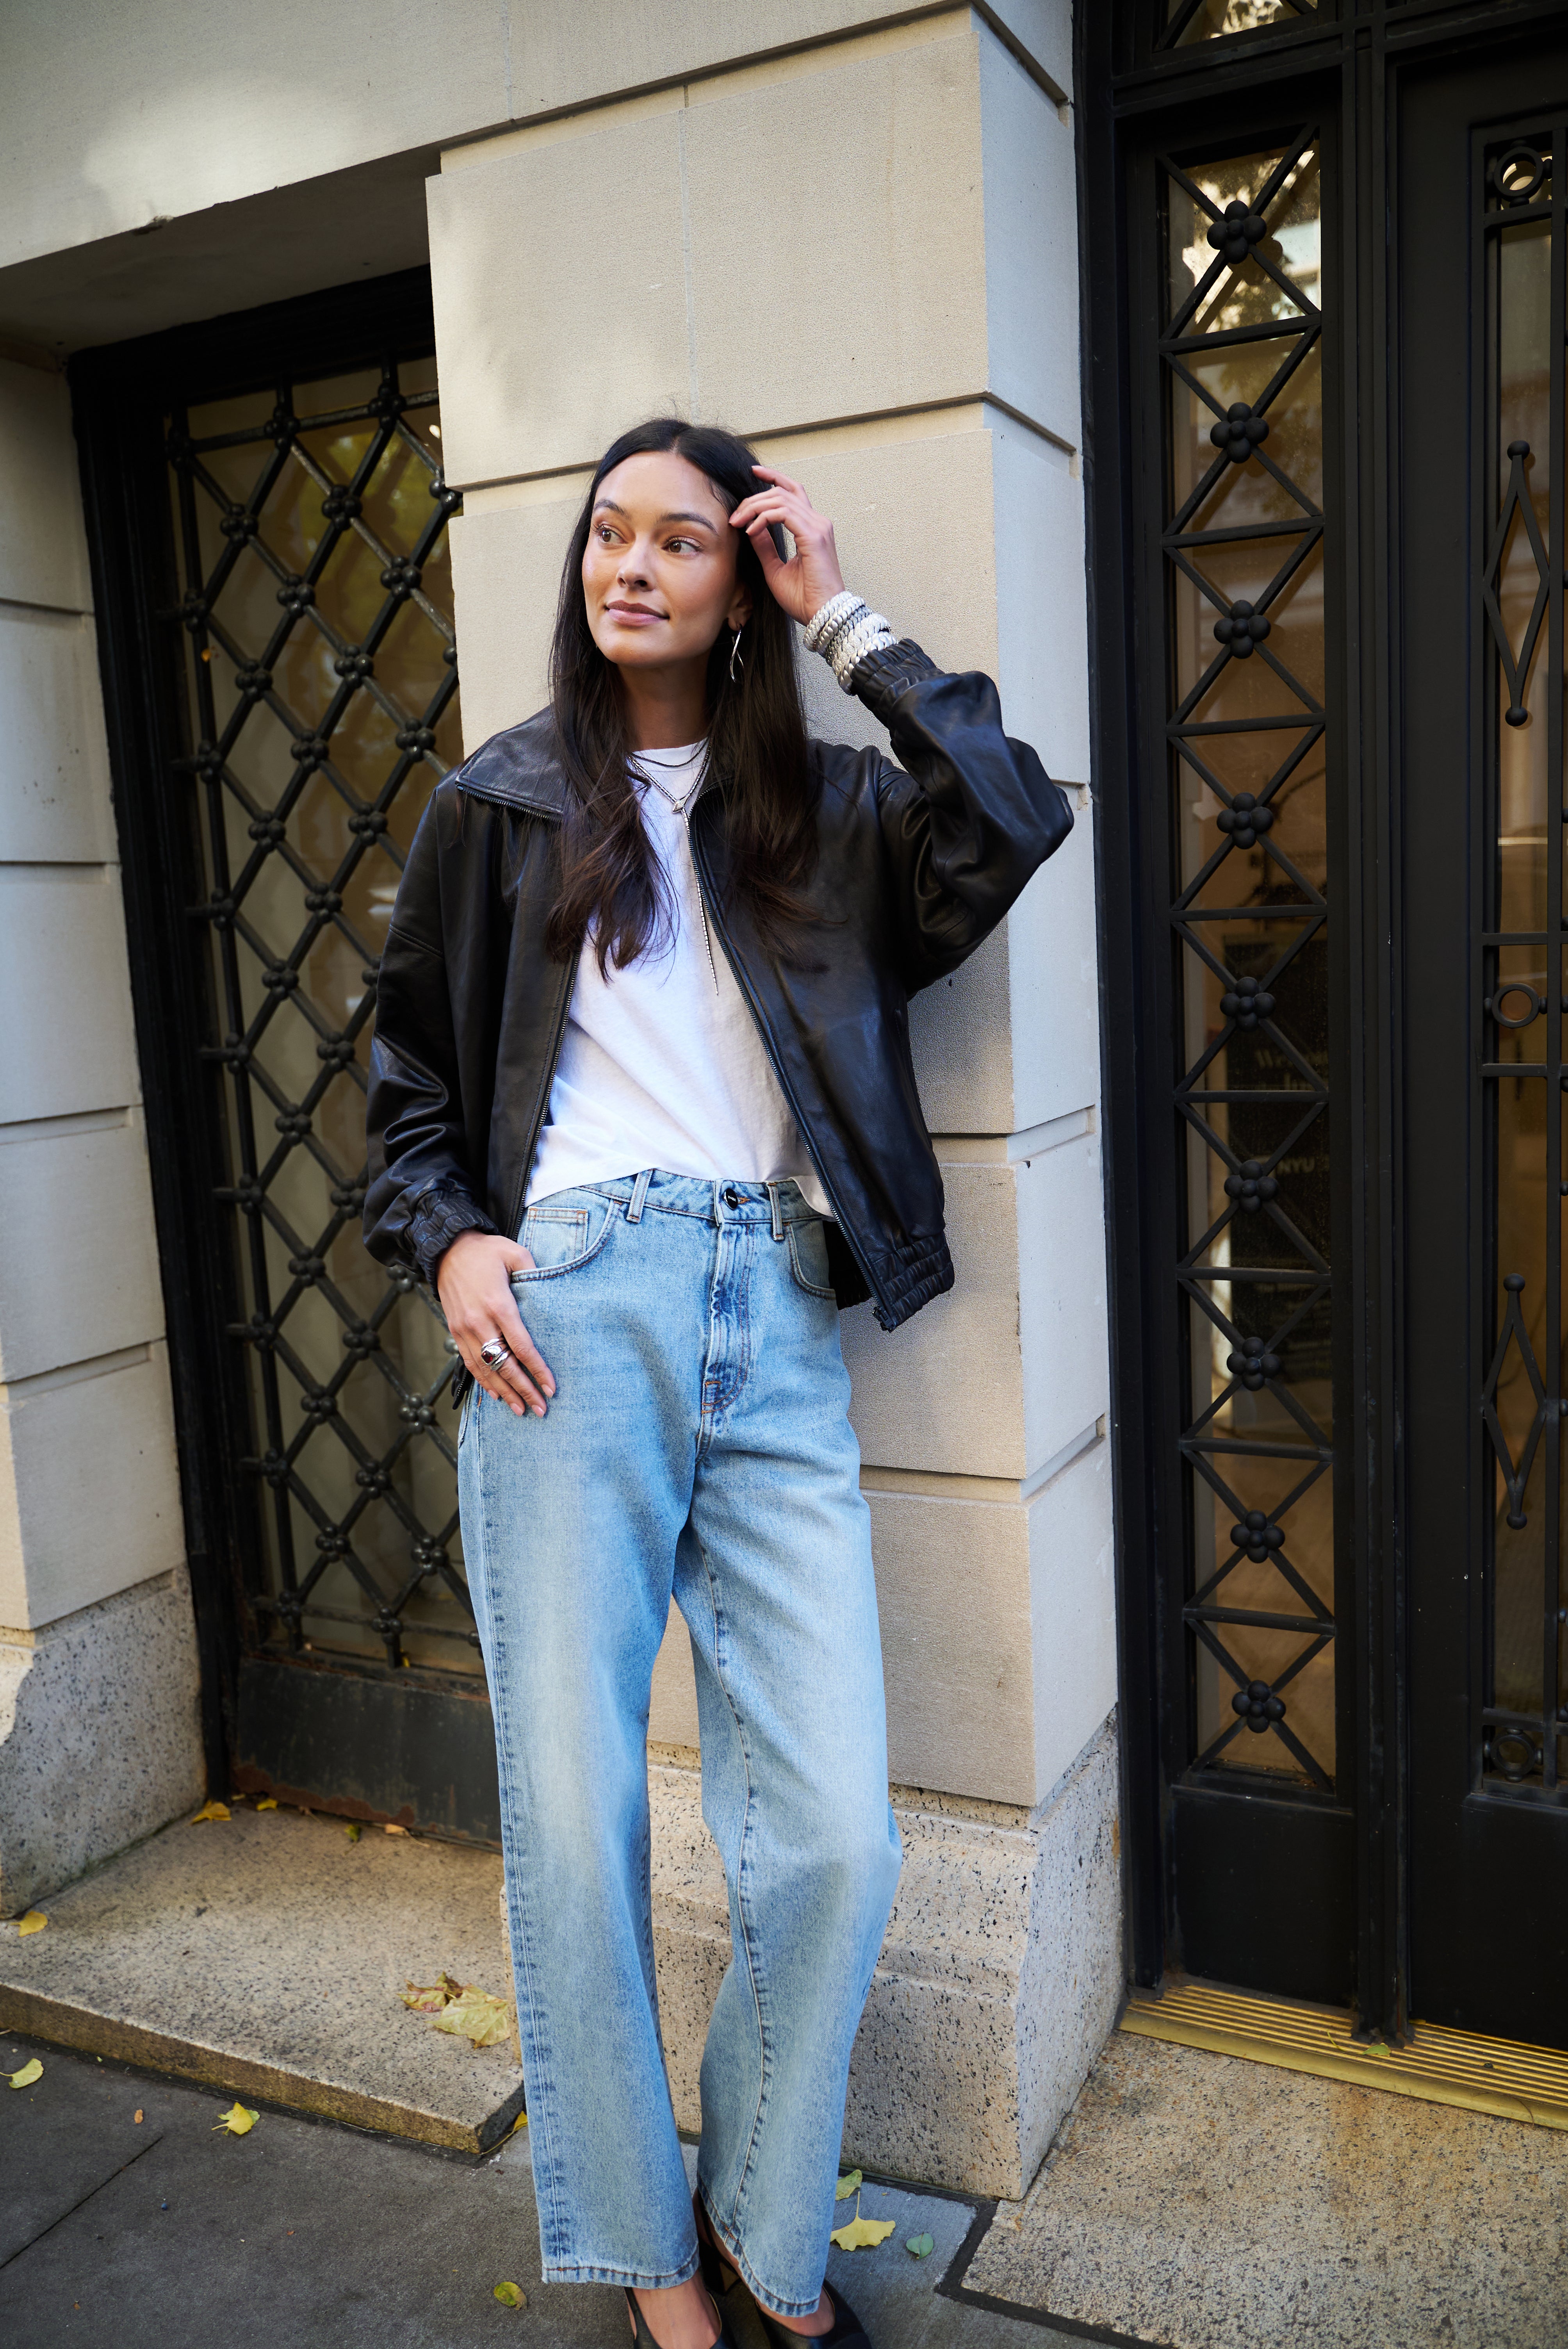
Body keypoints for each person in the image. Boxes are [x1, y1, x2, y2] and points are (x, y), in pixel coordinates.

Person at [363, 417, 1072, 2349]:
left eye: (683, 538)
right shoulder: (497, 806)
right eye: (608, 533)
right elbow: (407, 1089)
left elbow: (1012, 813)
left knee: (838, 1833)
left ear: (736, 575)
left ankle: (767, 2223)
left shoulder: (832, 813)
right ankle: (648, 2251)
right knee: (574, 1813)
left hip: (772, 1309)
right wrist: (451, 1238)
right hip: (565, 1319)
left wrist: (838, 608)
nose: (631, 565)